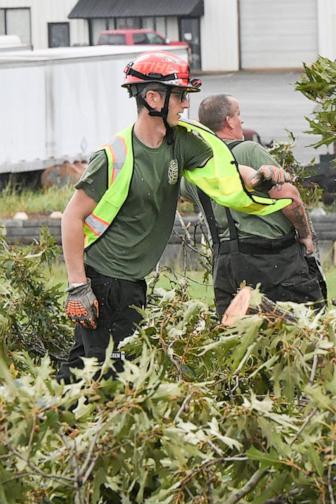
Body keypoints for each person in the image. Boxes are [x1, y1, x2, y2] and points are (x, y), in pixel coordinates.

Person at [59, 51, 292, 381]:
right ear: (153, 97)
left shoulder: (179, 142)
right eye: (180, 96)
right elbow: (71, 217)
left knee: (93, 369)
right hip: (104, 279)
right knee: (106, 374)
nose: (185, 105)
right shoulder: (115, 156)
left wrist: (259, 176)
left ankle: (52, 422)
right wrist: (78, 286)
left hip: (131, 280)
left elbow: (224, 169)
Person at [182, 94, 327, 317]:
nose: (242, 121)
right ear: (228, 121)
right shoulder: (248, 151)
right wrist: (305, 234)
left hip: (225, 268)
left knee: (238, 341)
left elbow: (176, 194)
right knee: (305, 329)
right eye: (239, 114)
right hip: (272, 263)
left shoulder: (195, 171)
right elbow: (290, 199)